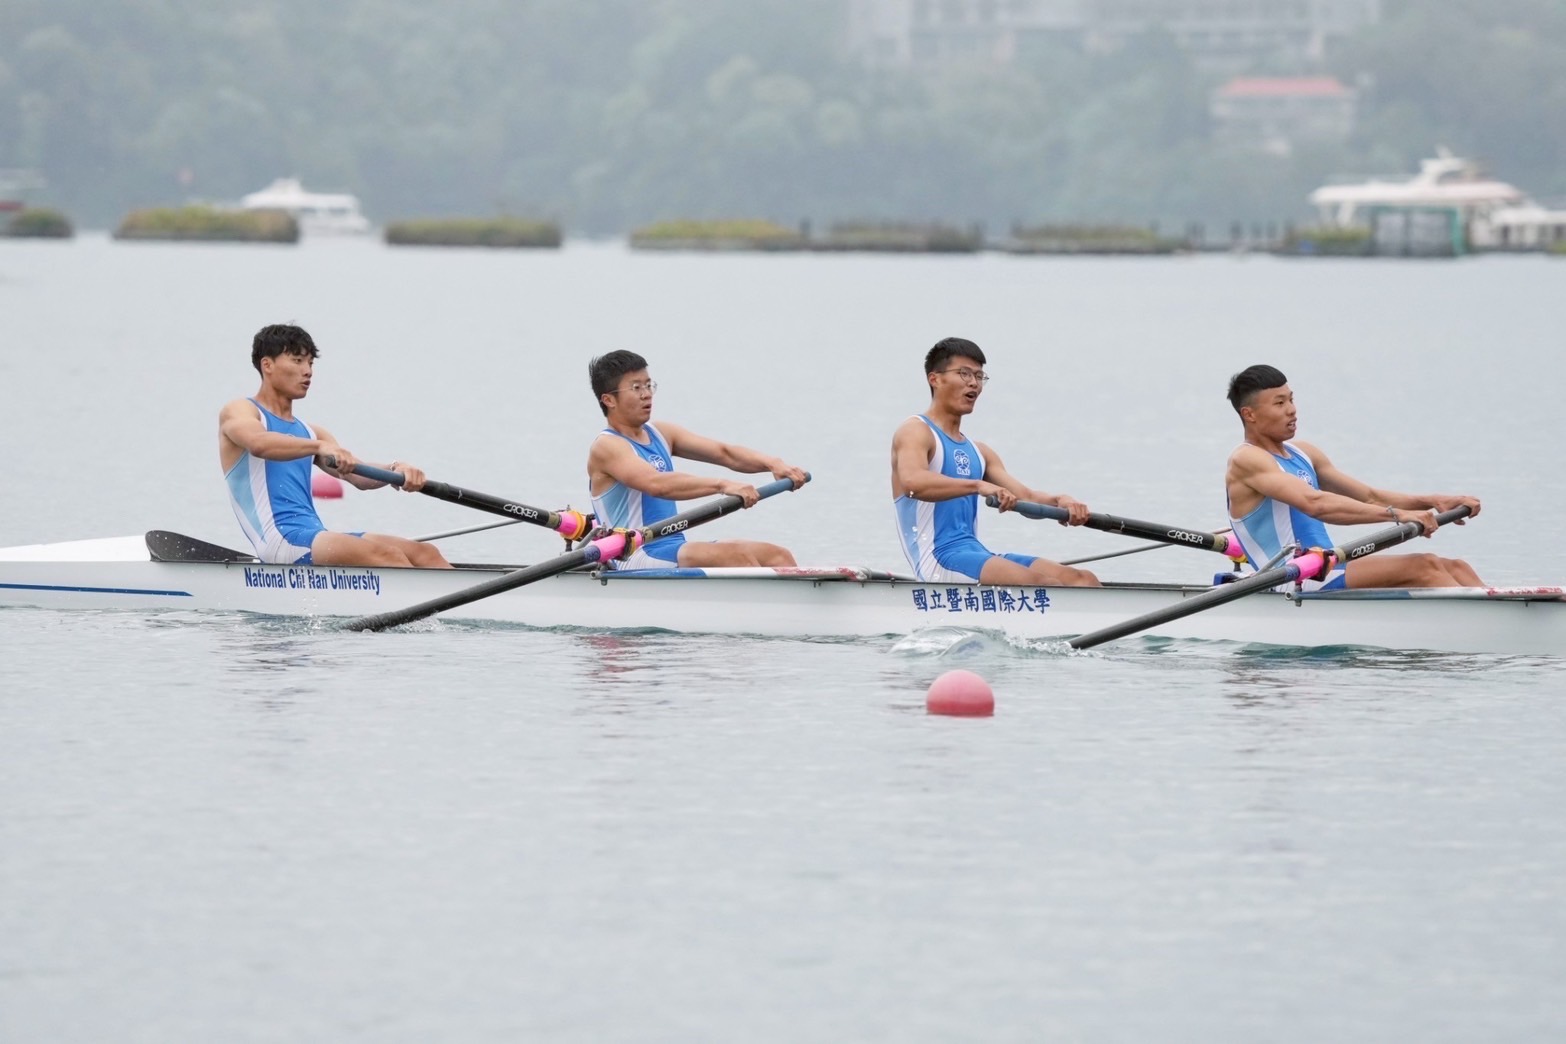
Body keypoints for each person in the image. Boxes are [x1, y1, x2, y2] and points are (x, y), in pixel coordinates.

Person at [1224, 364, 1482, 589]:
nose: (1291, 410)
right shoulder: (1247, 459)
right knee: (1425, 566)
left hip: (1324, 567)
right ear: (1249, 414)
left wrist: (1433, 501)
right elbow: (1316, 504)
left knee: (1456, 566)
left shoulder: (1304, 453)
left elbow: (1370, 497)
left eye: (1291, 400)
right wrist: (1397, 515)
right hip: (1289, 578)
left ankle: (1496, 611)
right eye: (1280, 403)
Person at [218, 324, 451, 568]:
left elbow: (358, 476)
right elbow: (258, 444)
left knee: (425, 553)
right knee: (387, 556)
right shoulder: (241, 411)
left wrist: (395, 469)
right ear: (267, 365)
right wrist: (319, 447)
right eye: (298, 361)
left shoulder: (311, 432)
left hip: (313, 537)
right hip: (280, 541)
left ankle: (460, 594)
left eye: (310, 363)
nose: (307, 371)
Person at [890, 337, 1100, 587]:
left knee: (1082, 580)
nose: (973, 383)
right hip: (938, 561)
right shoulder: (915, 431)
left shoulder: (980, 452)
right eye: (964, 373)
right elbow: (913, 483)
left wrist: (1061, 501)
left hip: (975, 553)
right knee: (1042, 584)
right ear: (935, 379)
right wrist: (978, 486)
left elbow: (1026, 497)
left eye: (979, 376)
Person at [586, 350, 808, 569]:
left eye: (648, 385)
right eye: (636, 388)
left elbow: (725, 453)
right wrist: (722, 485)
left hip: (672, 546)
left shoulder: (661, 433)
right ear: (609, 399)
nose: (647, 394)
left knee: (778, 556)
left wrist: (773, 463)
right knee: (735, 557)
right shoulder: (607, 446)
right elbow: (656, 484)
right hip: (633, 556)